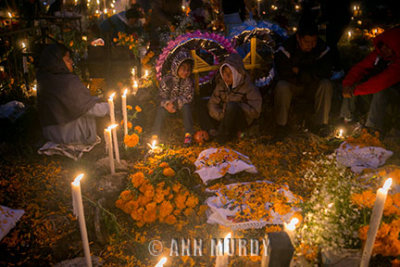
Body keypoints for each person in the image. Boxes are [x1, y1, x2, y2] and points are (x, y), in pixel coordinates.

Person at [37, 44, 109, 145]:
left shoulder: (44, 79)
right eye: (67, 59)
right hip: (70, 135)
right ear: (57, 62)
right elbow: (88, 109)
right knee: (94, 114)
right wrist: (111, 106)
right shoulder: (67, 82)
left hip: (50, 134)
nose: (71, 62)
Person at [273, 20, 333, 139]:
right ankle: (281, 125)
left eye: (313, 42)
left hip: (312, 85)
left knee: (326, 84)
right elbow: (284, 73)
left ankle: (321, 124)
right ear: (298, 38)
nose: (310, 45)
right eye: (306, 42)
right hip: (294, 85)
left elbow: (325, 71)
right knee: (282, 86)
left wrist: (300, 71)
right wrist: (310, 73)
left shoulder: (322, 48)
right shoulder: (286, 49)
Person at [340, 27, 400, 134]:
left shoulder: (397, 63)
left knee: (380, 90)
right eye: (383, 46)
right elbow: (360, 68)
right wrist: (348, 85)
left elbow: (382, 81)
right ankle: (347, 120)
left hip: (393, 95)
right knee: (352, 84)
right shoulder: (378, 55)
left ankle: (372, 129)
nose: (384, 49)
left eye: (388, 47)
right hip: (374, 91)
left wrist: (355, 90)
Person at [208, 53, 262, 143]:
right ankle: (214, 131)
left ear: (237, 73)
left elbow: (255, 112)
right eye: (224, 73)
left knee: (232, 106)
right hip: (224, 118)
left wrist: (239, 106)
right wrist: (222, 115)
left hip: (241, 121)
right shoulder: (221, 85)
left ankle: (223, 136)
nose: (227, 77)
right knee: (201, 104)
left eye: (230, 73)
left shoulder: (248, 86)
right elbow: (212, 103)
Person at [151, 50, 195, 145]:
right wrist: (167, 104)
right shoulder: (167, 79)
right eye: (183, 68)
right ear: (176, 66)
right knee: (160, 111)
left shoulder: (188, 81)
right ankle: (155, 134)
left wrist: (175, 103)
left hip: (180, 108)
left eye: (188, 69)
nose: (186, 72)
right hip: (168, 107)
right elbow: (161, 95)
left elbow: (188, 97)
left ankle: (188, 134)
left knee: (186, 107)